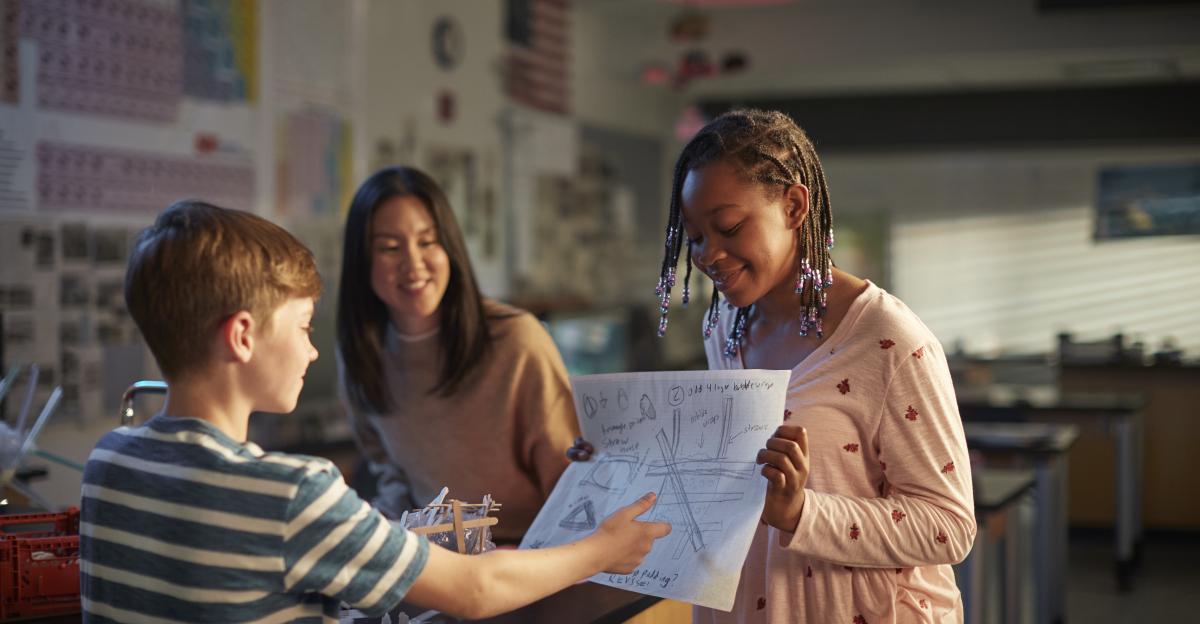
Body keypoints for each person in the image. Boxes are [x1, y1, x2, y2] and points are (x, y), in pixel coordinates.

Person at [80, 200, 670, 622]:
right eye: (303, 328)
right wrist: (603, 549)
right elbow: (475, 590)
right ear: (241, 336)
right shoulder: (293, 494)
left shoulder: (109, 462)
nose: (312, 351)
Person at [572, 109, 976, 623]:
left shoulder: (890, 342)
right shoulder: (725, 324)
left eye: (728, 227)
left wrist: (803, 513)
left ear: (793, 205)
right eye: (693, 237)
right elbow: (728, 480)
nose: (707, 255)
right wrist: (617, 463)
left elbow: (948, 526)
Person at [337, 166, 579, 543]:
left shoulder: (516, 339)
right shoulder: (361, 352)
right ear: (361, 262)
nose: (412, 263)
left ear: (449, 246)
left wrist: (544, 562)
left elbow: (569, 482)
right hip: (435, 562)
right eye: (389, 247)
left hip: (529, 556)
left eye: (427, 241)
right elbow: (386, 468)